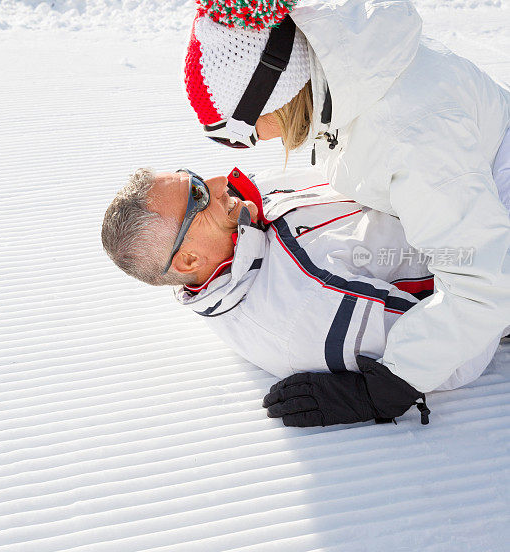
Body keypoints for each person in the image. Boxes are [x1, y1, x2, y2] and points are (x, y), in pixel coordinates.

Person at [183, 0, 510, 397]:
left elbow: (484, 287)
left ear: (273, 96)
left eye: (237, 135)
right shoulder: (337, 68)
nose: (249, 148)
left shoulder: (408, 135)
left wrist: (394, 380)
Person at [101, 165, 507, 428]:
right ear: (188, 259)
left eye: (191, 178)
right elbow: (462, 352)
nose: (217, 182)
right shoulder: (302, 311)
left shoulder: (246, 217)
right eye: (196, 198)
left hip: (463, 179)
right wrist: (375, 393)